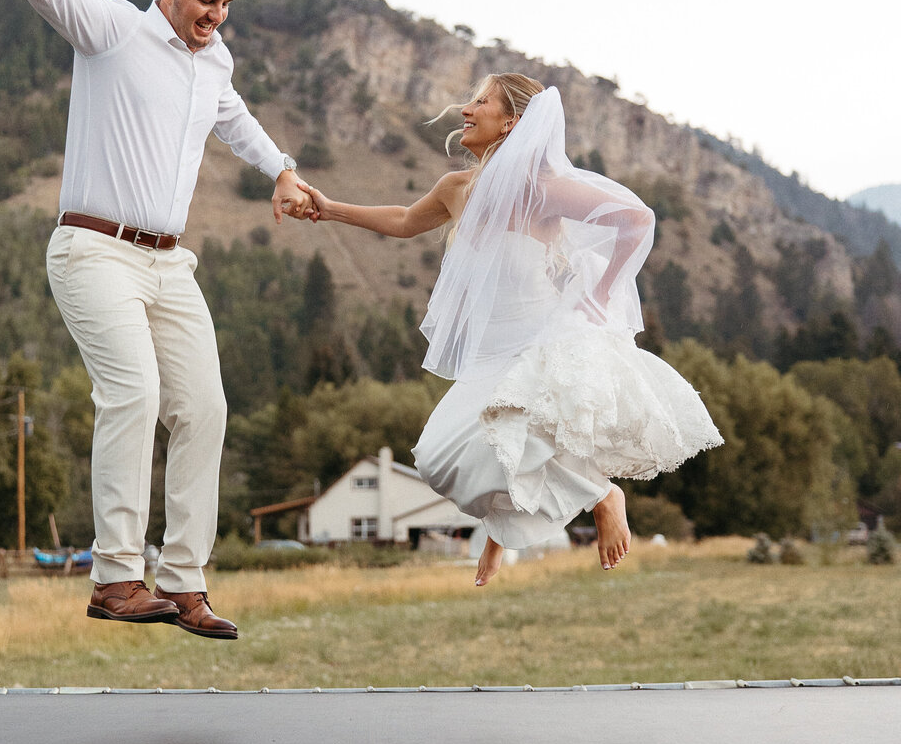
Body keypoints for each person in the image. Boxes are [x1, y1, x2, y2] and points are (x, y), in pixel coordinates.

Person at [0, 0, 312, 639]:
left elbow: (235, 118)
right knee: (134, 396)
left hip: (167, 263)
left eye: (226, 3)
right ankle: (116, 577)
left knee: (206, 409)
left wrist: (283, 170)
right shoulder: (114, 30)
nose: (216, 14)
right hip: (93, 253)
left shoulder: (213, 60)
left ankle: (184, 584)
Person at [296, 75, 721, 580]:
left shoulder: (542, 192)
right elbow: (406, 220)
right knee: (438, 459)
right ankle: (504, 528)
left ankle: (604, 494)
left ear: (511, 123)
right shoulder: (458, 189)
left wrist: (600, 291)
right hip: (488, 355)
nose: (465, 110)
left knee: (514, 439)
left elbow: (636, 220)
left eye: (480, 102)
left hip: (538, 342)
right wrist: (330, 209)